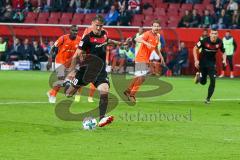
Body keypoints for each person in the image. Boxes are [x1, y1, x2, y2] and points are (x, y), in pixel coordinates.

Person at [64, 15, 124, 127]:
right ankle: (67, 83)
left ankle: (102, 118)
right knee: (68, 93)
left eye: (101, 26)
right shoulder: (87, 38)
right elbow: (76, 55)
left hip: (99, 70)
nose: (99, 28)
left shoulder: (104, 34)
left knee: (104, 90)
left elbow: (107, 40)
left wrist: (119, 43)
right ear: (92, 24)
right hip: (85, 71)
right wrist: (71, 72)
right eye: (97, 26)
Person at [123, 19, 165, 103]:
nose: (156, 27)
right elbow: (137, 39)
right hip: (140, 58)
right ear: (152, 26)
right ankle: (132, 95)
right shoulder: (147, 33)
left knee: (139, 77)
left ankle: (128, 90)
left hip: (146, 59)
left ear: (159, 27)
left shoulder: (158, 36)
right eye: (154, 26)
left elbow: (156, 47)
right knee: (142, 78)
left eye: (157, 26)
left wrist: (161, 57)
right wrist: (146, 43)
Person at [46, 25, 81, 103]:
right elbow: (53, 49)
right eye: (73, 30)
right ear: (70, 31)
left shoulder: (79, 40)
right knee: (61, 79)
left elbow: (81, 52)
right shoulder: (63, 38)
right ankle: (53, 96)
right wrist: (49, 61)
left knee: (67, 81)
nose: (75, 32)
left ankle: (51, 92)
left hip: (71, 63)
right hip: (60, 61)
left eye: (76, 31)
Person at [193, 28, 227, 104]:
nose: (214, 35)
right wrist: (196, 60)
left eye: (215, 34)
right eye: (212, 33)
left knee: (213, 80)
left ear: (217, 35)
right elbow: (195, 48)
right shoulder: (204, 41)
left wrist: (224, 60)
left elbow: (224, 52)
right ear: (210, 34)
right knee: (203, 82)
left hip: (211, 64)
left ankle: (208, 99)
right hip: (203, 63)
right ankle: (199, 76)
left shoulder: (220, 42)